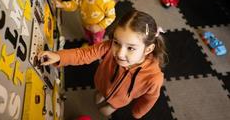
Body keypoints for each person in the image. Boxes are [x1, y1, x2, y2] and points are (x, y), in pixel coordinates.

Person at [38, 10, 168, 119]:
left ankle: (111, 105)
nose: (120, 54)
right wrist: (59, 56)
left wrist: (138, 112)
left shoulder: (154, 78)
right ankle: (101, 94)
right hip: (101, 82)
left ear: (148, 49)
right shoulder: (109, 46)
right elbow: (84, 54)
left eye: (131, 48)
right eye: (117, 43)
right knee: (99, 93)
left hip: (119, 100)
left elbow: (149, 98)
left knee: (107, 109)